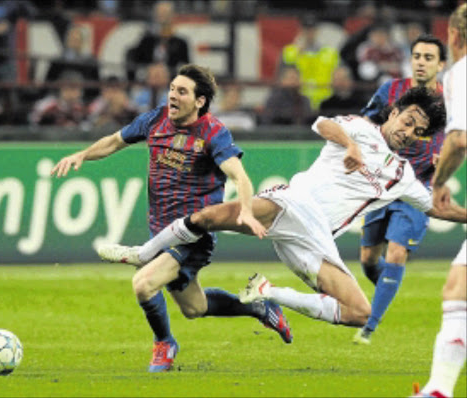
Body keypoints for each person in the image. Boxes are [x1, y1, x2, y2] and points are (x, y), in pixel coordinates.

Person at [98, 87, 466, 334]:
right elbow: (321, 123)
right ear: (395, 111)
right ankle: (140, 253)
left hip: (316, 239)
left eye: (417, 130)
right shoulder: (359, 127)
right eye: (407, 120)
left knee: (360, 314)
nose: (408, 130)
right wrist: (351, 146)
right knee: (212, 216)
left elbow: (435, 205)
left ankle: (267, 292)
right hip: (294, 204)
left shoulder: (400, 174)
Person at [52, 64, 292, 373]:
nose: (172, 96)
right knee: (196, 308)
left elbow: (239, 177)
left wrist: (245, 208)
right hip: (160, 230)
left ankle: (164, 343)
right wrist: (81, 155)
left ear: (200, 101)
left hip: (193, 234)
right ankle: (259, 307)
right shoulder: (155, 119)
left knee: (143, 284)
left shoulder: (213, 133)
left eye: (181, 91)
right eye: (172, 89)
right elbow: (114, 141)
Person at [354, 34, 447, 344]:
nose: (421, 62)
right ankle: (388, 287)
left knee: (396, 251)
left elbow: (458, 139)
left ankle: (368, 327)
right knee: (368, 259)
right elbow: (365, 124)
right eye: (417, 56)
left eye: (428, 57)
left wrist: (444, 156)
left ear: (441, 64)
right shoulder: (390, 91)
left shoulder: (453, 101)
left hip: (418, 185)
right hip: (382, 184)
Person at [413, 4, 467, 398]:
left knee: (457, 293)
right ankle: (438, 390)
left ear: (452, 35)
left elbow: (459, 140)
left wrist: (438, 181)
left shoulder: (460, 73)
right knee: (458, 289)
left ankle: (438, 391)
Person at [281, 14, 339, 110]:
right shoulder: (290, 52)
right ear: (301, 30)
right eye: (306, 29)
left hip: (325, 103)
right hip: (299, 103)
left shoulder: (330, 52)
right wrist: (298, 53)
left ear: (318, 31)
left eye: (312, 29)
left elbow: (340, 77)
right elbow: (283, 78)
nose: (310, 33)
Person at [125, 1, 189, 82]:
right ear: (155, 16)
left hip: (171, 84)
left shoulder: (181, 43)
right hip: (147, 82)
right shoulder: (146, 41)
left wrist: (169, 72)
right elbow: (134, 62)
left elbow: (187, 69)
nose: (163, 18)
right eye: (160, 14)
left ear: (173, 16)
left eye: (166, 14)